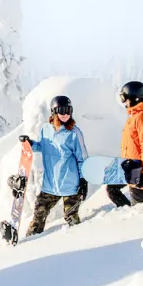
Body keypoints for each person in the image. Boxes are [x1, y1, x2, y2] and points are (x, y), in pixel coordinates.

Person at [18, 95, 88, 235]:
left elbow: (83, 159)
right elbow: (43, 147)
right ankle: (30, 243)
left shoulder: (74, 133)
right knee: (38, 215)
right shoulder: (46, 129)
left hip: (70, 186)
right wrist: (31, 144)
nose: (66, 114)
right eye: (62, 110)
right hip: (50, 185)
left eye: (68, 110)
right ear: (54, 111)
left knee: (71, 218)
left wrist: (83, 180)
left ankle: (78, 245)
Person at [109, 81, 143, 207]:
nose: (124, 102)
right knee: (111, 189)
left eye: (124, 98)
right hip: (130, 166)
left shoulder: (142, 117)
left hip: (138, 168)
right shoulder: (135, 115)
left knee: (137, 204)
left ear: (134, 97)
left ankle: (133, 219)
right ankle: (127, 210)